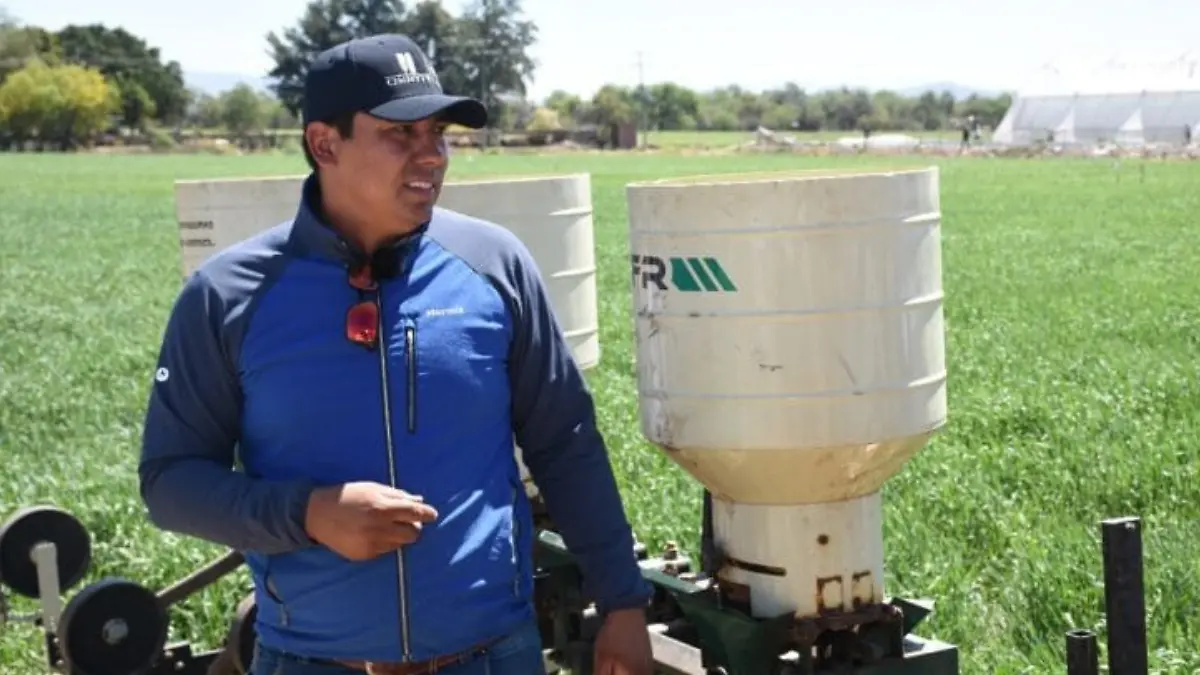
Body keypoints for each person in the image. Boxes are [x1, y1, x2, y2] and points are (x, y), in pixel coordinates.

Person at [138, 33, 654, 675]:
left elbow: (566, 441)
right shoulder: (226, 296)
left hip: (493, 656)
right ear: (324, 144)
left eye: (438, 133)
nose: (432, 155)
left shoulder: (495, 266)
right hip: (309, 661)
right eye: (400, 134)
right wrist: (310, 514)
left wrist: (623, 603)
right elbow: (171, 482)